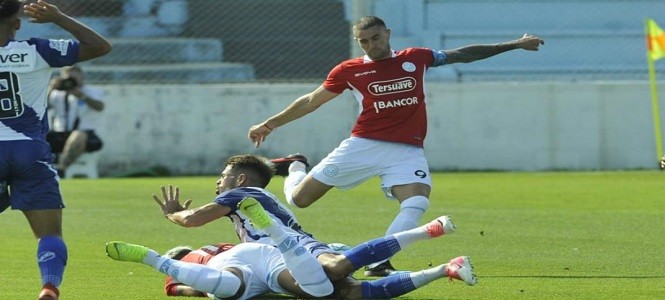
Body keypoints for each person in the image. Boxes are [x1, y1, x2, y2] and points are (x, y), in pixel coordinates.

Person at [247, 15, 544, 276]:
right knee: (299, 200)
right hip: (363, 145)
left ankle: (379, 261)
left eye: (375, 38)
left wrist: (515, 44)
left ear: (387, 33)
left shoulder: (417, 57)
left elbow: (463, 54)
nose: (370, 45)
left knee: (417, 202)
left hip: (406, 150)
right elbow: (311, 100)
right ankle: (296, 165)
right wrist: (270, 124)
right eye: (363, 41)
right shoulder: (348, 70)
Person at [150, 154, 465, 285]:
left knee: (340, 273)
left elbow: (192, 220)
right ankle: (441, 269)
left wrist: (172, 213)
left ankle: (427, 233)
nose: (218, 183)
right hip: (296, 250)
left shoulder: (238, 195)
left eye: (223, 177)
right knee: (348, 286)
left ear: (240, 179)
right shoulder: (262, 198)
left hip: (291, 253)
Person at [106, 197, 476, 299]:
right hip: (263, 262)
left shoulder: (189, 266)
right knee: (337, 290)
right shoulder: (212, 246)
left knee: (325, 285)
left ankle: (154, 261)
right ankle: (446, 267)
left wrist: (184, 283)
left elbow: (186, 289)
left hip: (248, 267)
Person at [0, 0, 112, 299]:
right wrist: (58, 17)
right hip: (30, 151)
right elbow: (99, 46)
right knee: (49, 234)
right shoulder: (36, 50)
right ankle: (49, 286)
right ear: (18, 23)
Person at [46, 65, 105, 176]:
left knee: (78, 135)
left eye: (74, 78)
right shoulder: (57, 94)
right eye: (68, 78)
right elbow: (42, 107)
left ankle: (61, 169)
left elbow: (100, 107)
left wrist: (82, 96)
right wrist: (51, 88)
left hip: (86, 134)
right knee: (36, 138)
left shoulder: (91, 91)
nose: (71, 82)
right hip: (60, 133)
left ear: (82, 77)